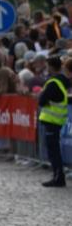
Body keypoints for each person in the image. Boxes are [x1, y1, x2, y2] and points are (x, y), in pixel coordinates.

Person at [38, 55, 69, 188]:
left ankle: (58, 177)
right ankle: (58, 176)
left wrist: (41, 96)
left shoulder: (53, 83)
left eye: (47, 66)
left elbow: (41, 100)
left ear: (50, 67)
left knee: (53, 150)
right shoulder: (63, 81)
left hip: (52, 121)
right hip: (57, 120)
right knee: (54, 149)